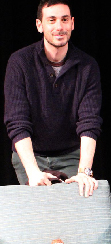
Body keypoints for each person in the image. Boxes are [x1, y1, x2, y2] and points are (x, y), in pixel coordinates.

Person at [4, 0, 102, 197]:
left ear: (72, 24)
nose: (59, 27)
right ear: (40, 25)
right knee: (41, 215)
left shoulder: (87, 66)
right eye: (52, 20)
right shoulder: (20, 62)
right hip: (33, 155)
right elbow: (17, 121)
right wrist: (32, 172)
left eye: (64, 20)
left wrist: (84, 172)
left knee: (73, 213)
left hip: (71, 155)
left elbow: (89, 122)